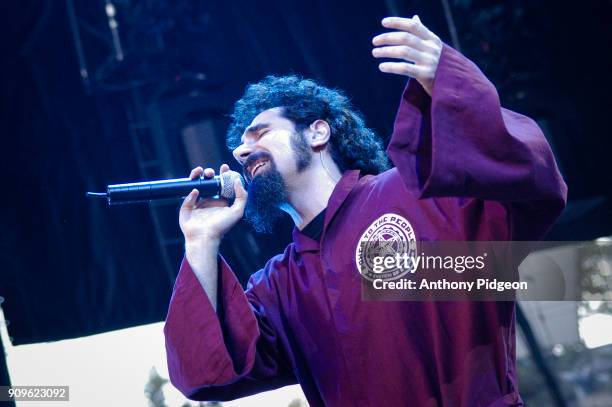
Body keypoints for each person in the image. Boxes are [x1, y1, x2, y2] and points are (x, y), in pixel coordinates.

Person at [164, 15, 566, 406]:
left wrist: (451, 83)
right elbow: (208, 373)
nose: (240, 150)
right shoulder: (278, 287)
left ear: (318, 132)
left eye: (261, 132)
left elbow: (531, 180)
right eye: (239, 144)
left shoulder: (418, 195)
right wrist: (200, 241)